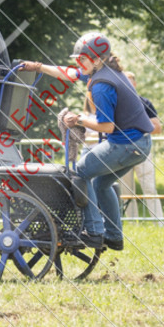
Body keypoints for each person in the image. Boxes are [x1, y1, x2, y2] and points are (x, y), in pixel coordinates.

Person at [56, 32, 154, 251]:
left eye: (82, 59)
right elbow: (68, 73)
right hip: (141, 144)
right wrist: (37, 67)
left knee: (80, 172)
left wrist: (79, 119)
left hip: (126, 144)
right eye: (77, 59)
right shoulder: (109, 72)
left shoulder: (101, 86)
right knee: (101, 183)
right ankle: (114, 236)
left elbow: (107, 127)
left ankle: (93, 231)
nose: (78, 63)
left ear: (97, 59)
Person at [117, 70, 164, 224]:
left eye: (130, 82)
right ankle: (132, 222)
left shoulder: (145, 103)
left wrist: (138, 125)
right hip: (122, 150)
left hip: (142, 149)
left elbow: (157, 128)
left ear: (135, 84)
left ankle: (159, 222)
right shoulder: (116, 104)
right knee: (126, 189)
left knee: (149, 187)